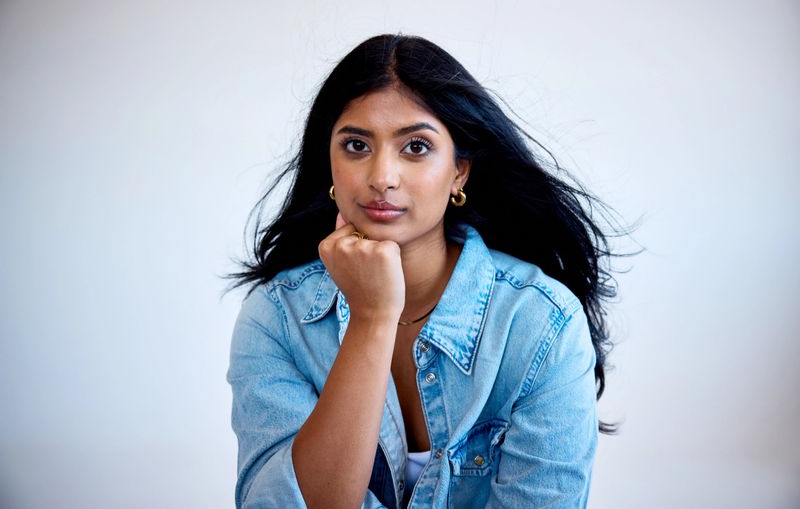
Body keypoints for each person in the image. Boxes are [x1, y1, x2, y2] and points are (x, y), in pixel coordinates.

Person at [225, 33, 621, 508]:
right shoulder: (278, 319)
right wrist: (371, 320)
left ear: (459, 171)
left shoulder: (542, 326)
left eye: (415, 147)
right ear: (328, 163)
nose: (382, 177)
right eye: (356, 145)